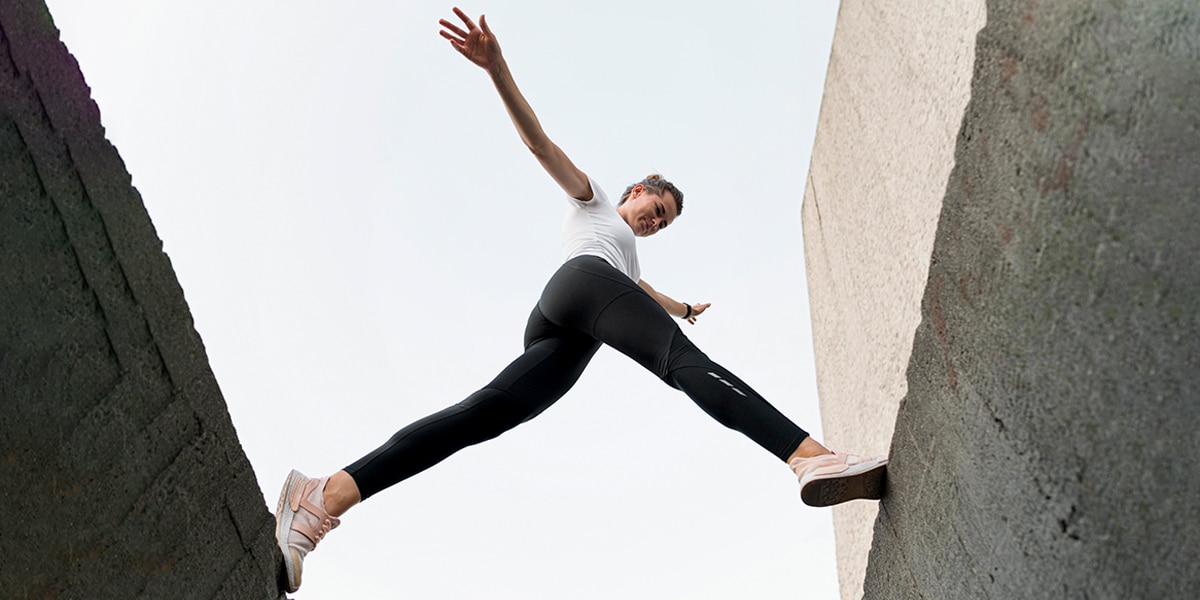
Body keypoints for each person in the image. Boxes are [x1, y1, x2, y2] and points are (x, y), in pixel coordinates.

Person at [273, 7, 887, 593]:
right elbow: (541, 145)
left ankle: (321, 495)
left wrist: (682, 308)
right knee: (681, 364)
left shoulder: (629, 261)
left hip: (566, 327)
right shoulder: (593, 202)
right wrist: (496, 69)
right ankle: (810, 456)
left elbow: (642, 291)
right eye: (656, 210)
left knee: (478, 416)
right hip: (579, 285)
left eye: (664, 223)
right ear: (636, 190)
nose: (655, 222)